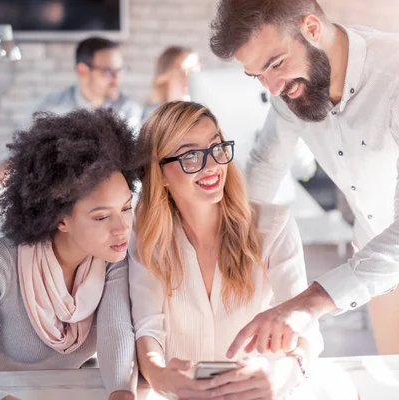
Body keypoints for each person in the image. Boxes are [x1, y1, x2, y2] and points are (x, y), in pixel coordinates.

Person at [209, 0, 399, 357]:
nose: (272, 88)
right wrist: (228, 242)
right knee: (392, 371)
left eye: (276, 64)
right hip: (378, 246)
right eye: (257, 75)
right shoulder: (286, 91)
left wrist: (307, 303)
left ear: (312, 28)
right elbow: (265, 166)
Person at [0, 109, 140, 400]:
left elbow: (116, 334)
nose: (122, 228)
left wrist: (123, 392)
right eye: (101, 217)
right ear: (61, 220)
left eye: (126, 207)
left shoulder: (112, 257)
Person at [129, 101, 323, 399]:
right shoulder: (145, 237)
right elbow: (147, 328)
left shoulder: (272, 227)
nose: (211, 165)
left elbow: (306, 325)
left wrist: (286, 373)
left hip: (260, 393)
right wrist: (160, 377)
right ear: (160, 175)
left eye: (216, 148)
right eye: (191, 155)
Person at [0, 36, 142, 192]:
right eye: (109, 71)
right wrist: (7, 166)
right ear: (82, 70)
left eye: (120, 70)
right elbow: (19, 154)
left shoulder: (129, 111)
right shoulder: (50, 109)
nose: (117, 79)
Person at [141, 46, 200, 121]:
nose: (188, 76)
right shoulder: (151, 115)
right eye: (181, 70)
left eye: (193, 70)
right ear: (164, 76)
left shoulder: (204, 113)